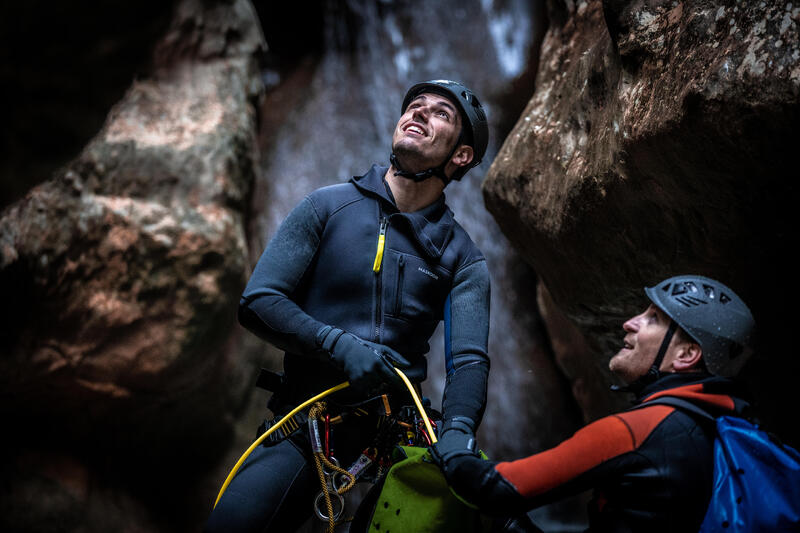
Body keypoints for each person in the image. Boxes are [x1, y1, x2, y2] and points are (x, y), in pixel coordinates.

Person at [205, 80, 492, 532]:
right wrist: (337, 345)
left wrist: (457, 431)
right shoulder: (328, 206)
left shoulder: (463, 258)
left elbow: (469, 362)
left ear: (462, 156)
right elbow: (259, 301)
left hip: (395, 444)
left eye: (440, 114)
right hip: (307, 427)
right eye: (414, 106)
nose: (418, 113)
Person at [436, 275, 756, 533]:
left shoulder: (638, 431)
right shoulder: (722, 427)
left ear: (687, 355)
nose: (630, 322)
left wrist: (451, 448)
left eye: (653, 319)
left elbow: (495, 487)